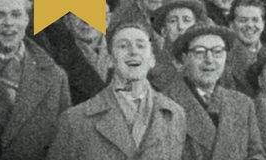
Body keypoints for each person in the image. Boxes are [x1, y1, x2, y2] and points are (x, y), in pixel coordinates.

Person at [47, 23, 187, 160]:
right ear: (110, 60)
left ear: (152, 60)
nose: (133, 51)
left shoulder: (174, 115)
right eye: (123, 46)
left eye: (141, 45)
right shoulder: (76, 121)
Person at [164, 24, 265, 160]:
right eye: (200, 52)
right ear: (184, 58)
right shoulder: (165, 104)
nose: (209, 60)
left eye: (217, 52)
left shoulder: (242, 104)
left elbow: (256, 154)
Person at [0, 0, 71, 159]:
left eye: (16, 15)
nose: (8, 23)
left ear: (26, 19)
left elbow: (64, 146)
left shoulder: (54, 77)